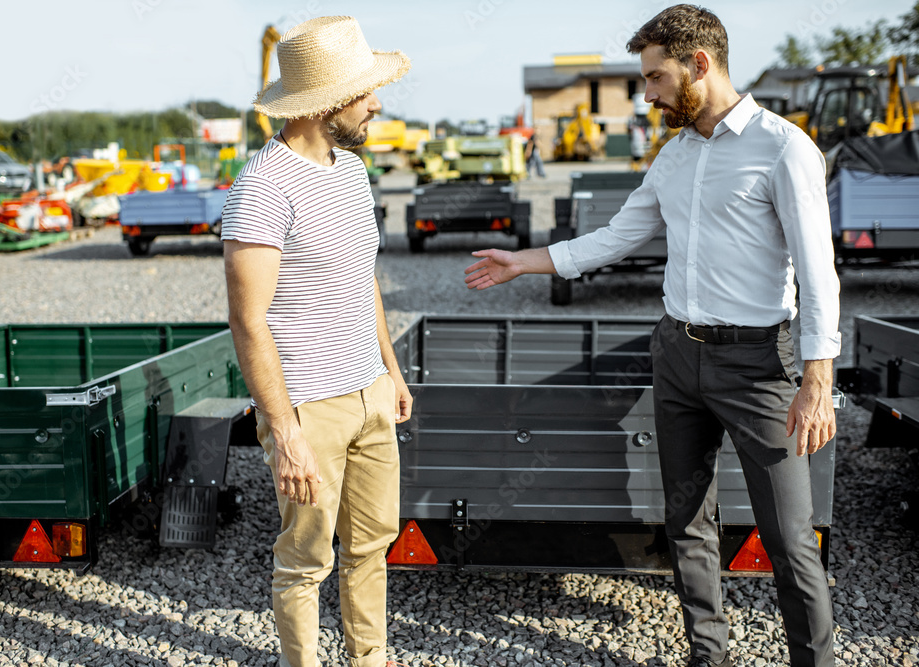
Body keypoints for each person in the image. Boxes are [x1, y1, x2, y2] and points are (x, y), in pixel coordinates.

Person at [463, 5, 840, 667]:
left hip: (758, 365)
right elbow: (617, 236)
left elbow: (818, 271)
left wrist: (817, 380)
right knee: (687, 522)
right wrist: (524, 261)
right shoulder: (675, 156)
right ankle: (707, 653)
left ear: (701, 64)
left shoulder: (782, 147)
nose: (649, 93)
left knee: (789, 538)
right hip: (677, 356)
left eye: (657, 77)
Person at [221, 16, 412, 667]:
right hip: (309, 408)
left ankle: (371, 656)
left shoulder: (353, 171)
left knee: (371, 544)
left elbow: (364, 278)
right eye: (366, 93)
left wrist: (390, 369)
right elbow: (248, 321)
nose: (377, 103)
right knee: (306, 560)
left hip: (371, 395)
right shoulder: (262, 188)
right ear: (329, 101)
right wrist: (286, 432)